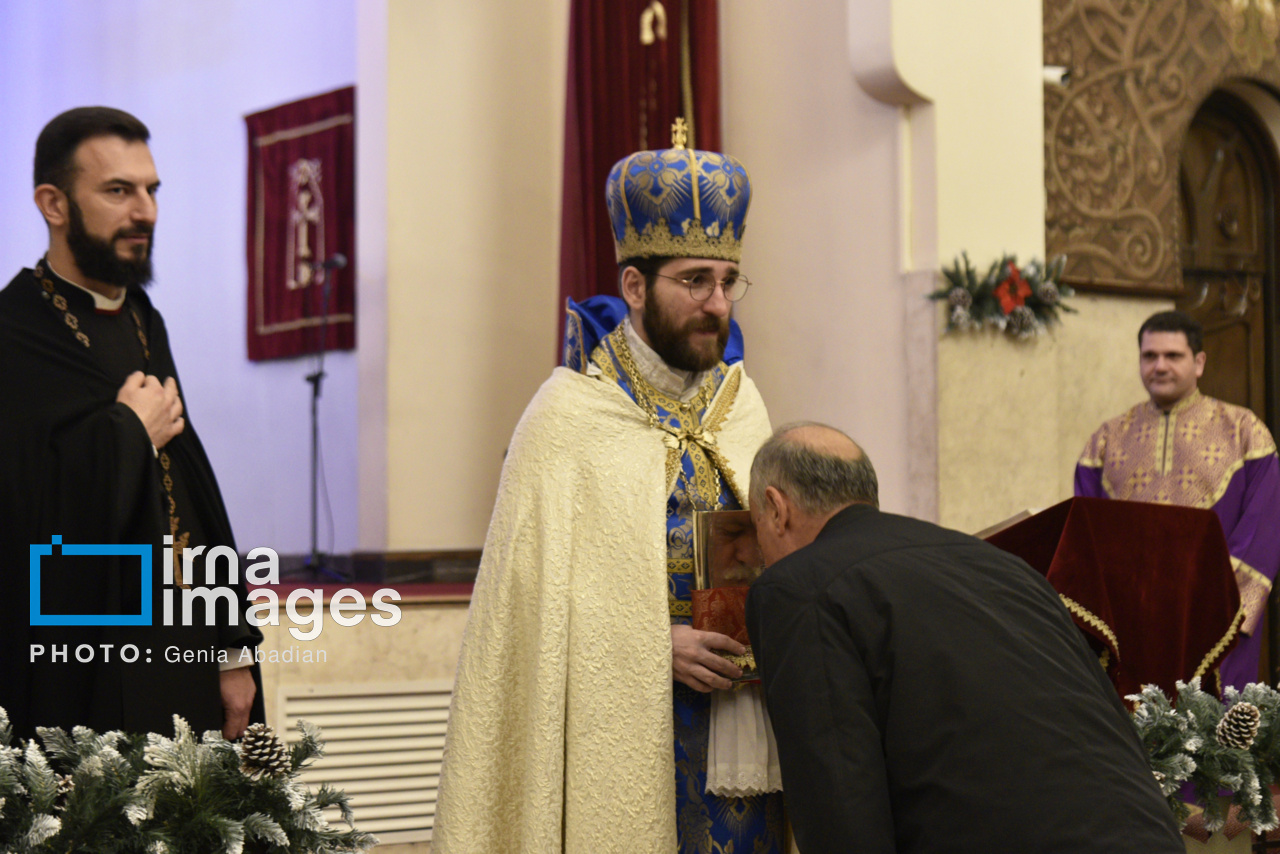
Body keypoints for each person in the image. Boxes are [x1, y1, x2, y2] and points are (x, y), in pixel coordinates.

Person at [434, 120, 783, 853]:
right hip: (618, 730)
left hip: (742, 727)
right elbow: (534, 617)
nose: (719, 304)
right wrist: (656, 646)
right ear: (633, 285)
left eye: (728, 281)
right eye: (695, 280)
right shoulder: (568, 415)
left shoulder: (742, 403)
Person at [744, 423, 1185, 853]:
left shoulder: (796, 587)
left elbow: (837, 797)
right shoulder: (1003, 565)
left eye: (754, 525)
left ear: (776, 508)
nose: (756, 551)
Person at [0, 107, 263, 741]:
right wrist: (128, 433)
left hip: (178, 645)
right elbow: (21, 517)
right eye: (119, 191)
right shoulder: (13, 332)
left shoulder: (144, 318)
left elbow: (189, 489)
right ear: (54, 204)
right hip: (73, 664)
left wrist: (231, 649)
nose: (145, 211)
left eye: (151, 190)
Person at [1075, 310, 1280, 688]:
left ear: (1198, 362)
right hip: (1132, 620)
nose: (1159, 366)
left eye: (1173, 355)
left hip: (1215, 613)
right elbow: (1087, 534)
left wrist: (1217, 598)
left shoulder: (1243, 431)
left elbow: (1263, 528)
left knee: (1215, 721)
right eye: (1149, 356)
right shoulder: (1106, 440)